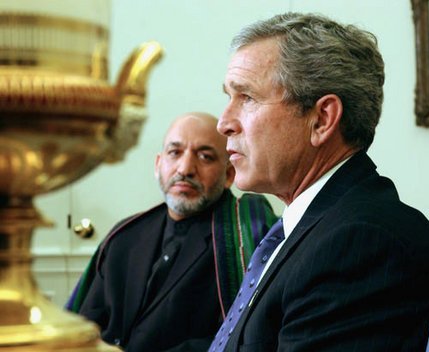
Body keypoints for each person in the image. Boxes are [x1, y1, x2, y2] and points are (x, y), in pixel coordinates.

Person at [210, 12, 429, 351]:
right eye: (228, 97)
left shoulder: (361, 243)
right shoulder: (319, 227)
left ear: (321, 120)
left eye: (246, 97)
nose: (224, 123)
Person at [68, 112, 277, 351]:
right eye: (175, 153)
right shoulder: (125, 236)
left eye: (205, 157)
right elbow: (84, 323)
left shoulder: (243, 238)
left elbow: (245, 338)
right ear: (158, 165)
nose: (185, 168)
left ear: (229, 175)